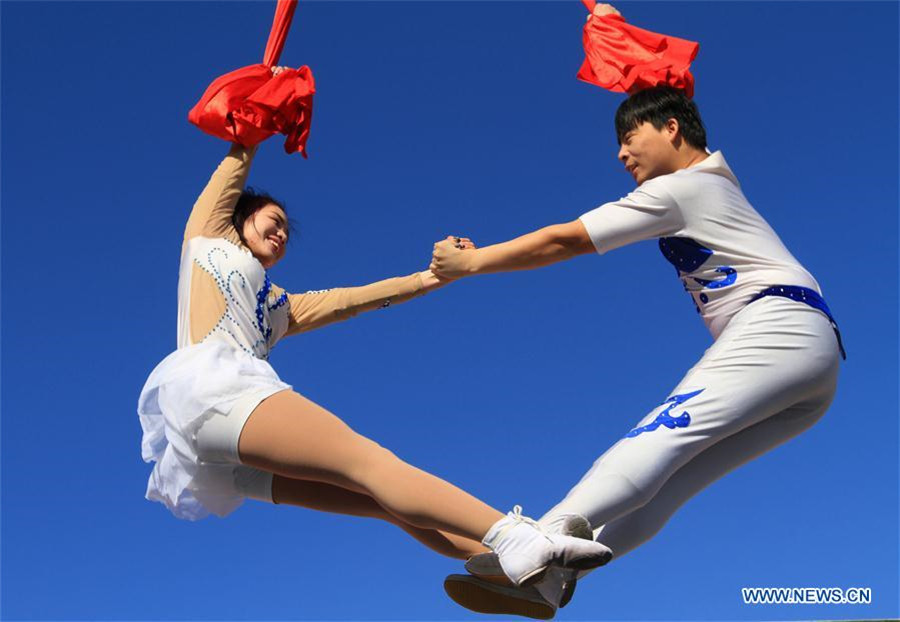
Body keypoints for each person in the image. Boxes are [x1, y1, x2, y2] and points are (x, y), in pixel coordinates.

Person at [137, 67, 613, 590]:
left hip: (215, 437)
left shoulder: (279, 307)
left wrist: (433, 278)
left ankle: (511, 571)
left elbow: (355, 300)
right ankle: (516, 536)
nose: (280, 230)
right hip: (214, 392)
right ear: (239, 219)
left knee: (379, 497)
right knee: (371, 462)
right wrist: (265, 97)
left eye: (285, 230)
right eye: (269, 219)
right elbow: (239, 153)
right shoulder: (210, 237)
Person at [433, 83, 844, 618]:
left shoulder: (685, 187)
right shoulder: (714, 185)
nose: (620, 153)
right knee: (673, 481)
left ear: (671, 128)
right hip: (815, 363)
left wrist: (473, 262)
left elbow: (565, 240)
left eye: (629, 137)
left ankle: (542, 539)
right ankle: (550, 580)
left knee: (662, 434)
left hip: (777, 325)